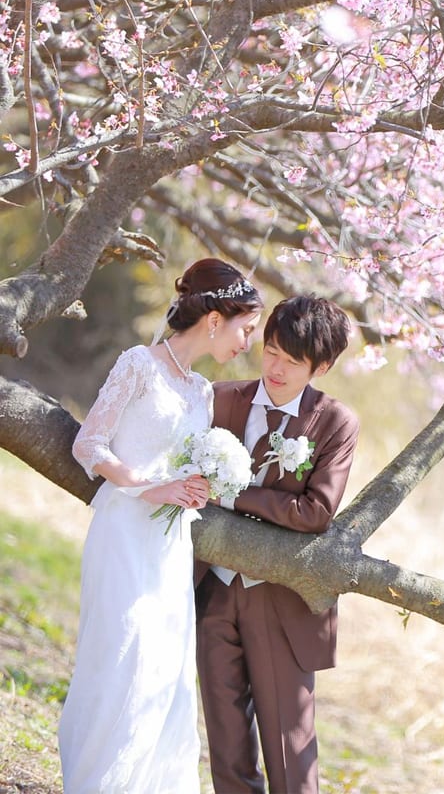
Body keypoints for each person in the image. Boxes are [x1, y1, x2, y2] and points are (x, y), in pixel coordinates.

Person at [59, 258, 263, 794]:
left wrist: (197, 484)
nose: (247, 344)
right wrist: (147, 487)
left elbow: (178, 461)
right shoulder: (138, 365)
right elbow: (90, 444)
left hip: (170, 543)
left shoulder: (200, 391)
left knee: (164, 668)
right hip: (124, 530)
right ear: (216, 318)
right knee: (123, 654)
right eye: (246, 329)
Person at [195, 294, 359, 794]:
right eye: (270, 352)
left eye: (292, 362)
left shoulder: (334, 422)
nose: (276, 369)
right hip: (213, 591)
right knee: (226, 749)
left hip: (281, 601)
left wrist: (238, 493)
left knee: (291, 754)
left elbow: (315, 512)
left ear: (322, 366)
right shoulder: (221, 399)